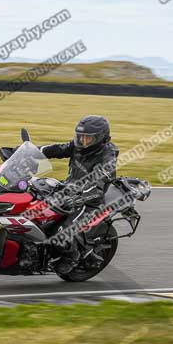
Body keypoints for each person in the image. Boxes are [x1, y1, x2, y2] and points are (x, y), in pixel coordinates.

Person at [39, 115, 119, 274]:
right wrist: (31, 151)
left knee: (62, 231)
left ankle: (72, 256)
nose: (82, 141)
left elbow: (98, 185)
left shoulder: (107, 157)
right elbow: (57, 149)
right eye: (80, 136)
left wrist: (78, 198)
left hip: (90, 200)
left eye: (87, 138)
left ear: (100, 138)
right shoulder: (78, 145)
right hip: (67, 190)